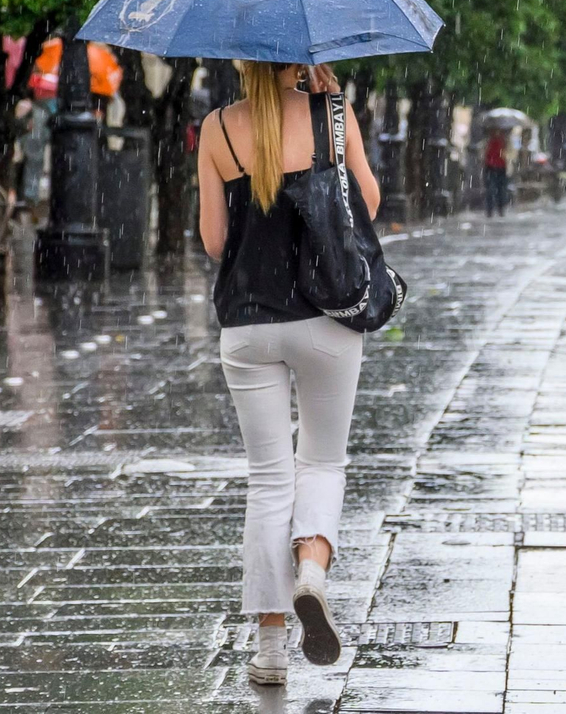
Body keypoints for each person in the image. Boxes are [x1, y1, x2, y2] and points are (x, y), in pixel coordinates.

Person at [197, 61, 379, 685]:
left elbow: (216, 241)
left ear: (242, 62)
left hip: (248, 321)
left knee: (268, 481)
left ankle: (270, 651)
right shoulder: (332, 115)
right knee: (323, 462)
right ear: (301, 57)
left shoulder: (216, 128)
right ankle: (313, 570)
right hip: (327, 317)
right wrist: (329, 135)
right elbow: (369, 205)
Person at [483, 127, 510, 216]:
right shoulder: (488, 141)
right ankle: (491, 209)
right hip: (491, 167)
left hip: (500, 167)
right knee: (491, 190)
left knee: (500, 189)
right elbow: (484, 153)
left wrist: (505, 152)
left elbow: (508, 154)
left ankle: (500, 208)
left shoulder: (504, 141)